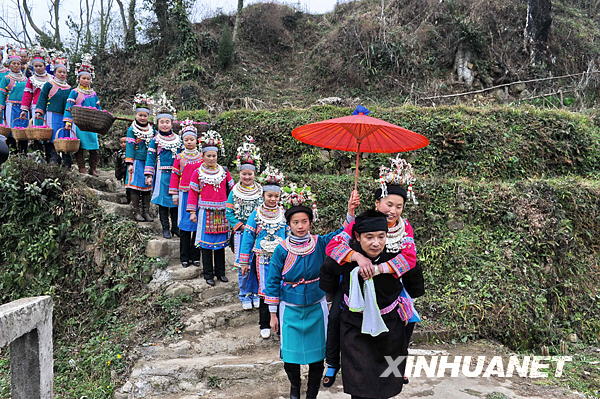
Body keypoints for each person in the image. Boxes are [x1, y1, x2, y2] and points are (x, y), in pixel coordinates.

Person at [323, 156, 423, 388]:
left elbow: (409, 258)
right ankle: (332, 363)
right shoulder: (361, 222)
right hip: (357, 284)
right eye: (389, 204)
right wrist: (356, 256)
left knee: (407, 323)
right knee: (337, 317)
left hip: (390, 286)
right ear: (377, 203)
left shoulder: (405, 227)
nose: (393, 211)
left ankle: (398, 368)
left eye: (399, 206)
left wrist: (378, 269)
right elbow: (333, 246)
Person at [264, 186, 359, 399]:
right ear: (288, 224)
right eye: (296, 222)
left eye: (304, 221)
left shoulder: (319, 243)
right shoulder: (282, 249)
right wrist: (272, 314)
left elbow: (341, 234)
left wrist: (350, 211)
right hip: (290, 309)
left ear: (310, 222)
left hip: (317, 307)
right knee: (290, 357)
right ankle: (295, 389)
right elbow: (272, 281)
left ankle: (312, 395)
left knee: (317, 357)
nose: (300, 226)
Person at [320, 209, 413, 399]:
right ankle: (332, 364)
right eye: (369, 237)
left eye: (381, 236)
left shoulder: (396, 256)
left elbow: (415, 280)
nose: (376, 243)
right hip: (355, 328)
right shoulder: (346, 257)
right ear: (357, 236)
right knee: (359, 383)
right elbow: (328, 271)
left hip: (390, 328)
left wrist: (380, 271)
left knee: (388, 381)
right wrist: (332, 297)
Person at [237, 164, 287, 338]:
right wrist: (244, 261)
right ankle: (264, 324)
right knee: (265, 289)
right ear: (263, 195)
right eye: (270, 195)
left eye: (276, 196)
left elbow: (289, 234)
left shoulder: (283, 213)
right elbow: (248, 237)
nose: (273, 199)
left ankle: (281, 324)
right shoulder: (256, 214)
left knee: (282, 288)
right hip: (262, 258)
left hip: (281, 258)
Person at [187, 130, 233, 286]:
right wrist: (192, 212)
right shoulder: (197, 173)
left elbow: (232, 191)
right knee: (206, 245)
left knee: (220, 245)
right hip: (205, 213)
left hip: (222, 212)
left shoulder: (224, 172)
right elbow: (193, 193)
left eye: (214, 156)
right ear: (203, 156)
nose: (212, 158)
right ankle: (208, 274)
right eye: (209, 156)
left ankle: (221, 272)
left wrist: (232, 208)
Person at [226, 136, 263, 310]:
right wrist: (239, 225)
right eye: (244, 174)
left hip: (258, 232)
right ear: (239, 174)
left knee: (256, 262)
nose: (247, 177)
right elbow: (229, 212)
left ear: (254, 174)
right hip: (241, 232)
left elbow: (264, 210)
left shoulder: (260, 191)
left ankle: (255, 292)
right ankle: (244, 294)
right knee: (243, 263)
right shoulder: (234, 191)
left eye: (250, 174)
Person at [144, 94, 181, 238]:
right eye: (162, 122)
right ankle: (165, 228)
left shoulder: (178, 139)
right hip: (161, 176)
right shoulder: (155, 140)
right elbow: (150, 157)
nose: (165, 124)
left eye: (167, 122)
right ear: (157, 124)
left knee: (175, 203)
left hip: (176, 175)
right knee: (163, 204)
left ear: (172, 123)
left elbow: (183, 157)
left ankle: (175, 227)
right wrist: (148, 175)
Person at [169, 120, 203, 268]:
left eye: (192, 139)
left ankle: (195, 256)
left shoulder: (202, 158)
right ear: (182, 141)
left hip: (199, 195)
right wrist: (174, 193)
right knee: (184, 225)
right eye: (186, 140)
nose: (189, 142)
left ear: (196, 140)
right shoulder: (179, 157)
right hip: (184, 193)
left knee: (197, 225)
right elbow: (175, 175)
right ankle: (184, 257)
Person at [63, 54, 101, 176]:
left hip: (92, 124)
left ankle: (93, 168)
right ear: (78, 79)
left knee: (94, 147)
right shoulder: (74, 92)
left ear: (91, 79)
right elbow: (69, 108)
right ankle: (81, 167)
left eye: (88, 78)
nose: (86, 80)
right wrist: (68, 121)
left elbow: (98, 108)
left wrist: (101, 121)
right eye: (83, 78)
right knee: (80, 146)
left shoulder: (93, 93)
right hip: (79, 123)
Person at [34, 54, 71, 166]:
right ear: (54, 73)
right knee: (52, 136)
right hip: (51, 115)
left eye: (64, 72)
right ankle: (52, 158)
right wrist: (39, 112)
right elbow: (42, 99)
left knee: (64, 136)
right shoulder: (48, 85)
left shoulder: (69, 88)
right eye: (60, 72)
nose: (62, 74)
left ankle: (66, 159)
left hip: (65, 116)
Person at [125, 93, 155, 221]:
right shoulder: (132, 129)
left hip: (148, 161)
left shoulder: (152, 130)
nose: (142, 118)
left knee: (147, 187)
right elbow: (130, 146)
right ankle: (136, 211)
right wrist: (130, 162)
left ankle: (146, 212)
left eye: (145, 115)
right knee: (135, 186)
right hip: (136, 161)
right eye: (140, 115)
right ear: (135, 115)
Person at [20, 47, 51, 154]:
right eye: (36, 66)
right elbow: (27, 95)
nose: (38, 68)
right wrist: (24, 109)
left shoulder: (51, 79)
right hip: (36, 107)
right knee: (37, 130)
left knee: (48, 129)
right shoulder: (31, 80)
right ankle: (38, 152)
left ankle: (49, 152)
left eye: (40, 66)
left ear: (45, 66)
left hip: (49, 107)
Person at [0, 48, 27, 153]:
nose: (16, 65)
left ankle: (23, 151)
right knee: (10, 129)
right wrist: (1, 106)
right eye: (13, 63)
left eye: (18, 64)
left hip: (23, 108)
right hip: (10, 107)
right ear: (9, 65)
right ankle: (11, 150)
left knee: (23, 130)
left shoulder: (25, 79)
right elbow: (2, 93)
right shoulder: (6, 78)